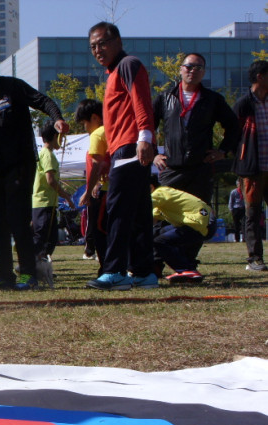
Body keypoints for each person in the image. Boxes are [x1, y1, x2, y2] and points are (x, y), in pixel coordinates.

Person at [0, 46, 68, 290]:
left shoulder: (13, 87)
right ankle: (4, 275)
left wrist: (57, 118)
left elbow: (42, 100)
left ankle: (27, 274)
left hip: (20, 165)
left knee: (17, 219)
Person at [85, 22, 157, 290]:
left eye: (102, 43)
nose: (97, 50)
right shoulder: (114, 72)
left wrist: (145, 137)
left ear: (117, 41)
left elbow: (142, 100)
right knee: (138, 212)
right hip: (123, 148)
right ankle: (144, 272)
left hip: (130, 146)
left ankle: (115, 270)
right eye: (93, 46)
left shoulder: (128, 64)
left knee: (117, 209)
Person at [152, 52, 239, 205]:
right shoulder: (165, 98)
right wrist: (154, 155)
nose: (193, 71)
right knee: (167, 214)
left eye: (198, 68)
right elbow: (146, 127)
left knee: (199, 215)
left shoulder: (212, 99)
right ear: (181, 69)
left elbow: (234, 126)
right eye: (189, 66)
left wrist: (223, 151)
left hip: (200, 169)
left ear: (203, 72)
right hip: (172, 168)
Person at [232, 59, 268, 272]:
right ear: (260, 77)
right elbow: (233, 135)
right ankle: (255, 258)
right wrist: (241, 159)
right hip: (252, 168)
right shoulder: (243, 104)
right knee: (252, 214)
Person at [150, 176, 209, 283]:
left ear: (150, 187)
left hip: (194, 224)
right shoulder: (165, 193)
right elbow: (153, 217)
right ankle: (157, 267)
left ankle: (186, 270)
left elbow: (142, 209)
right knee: (159, 233)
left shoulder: (158, 194)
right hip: (202, 223)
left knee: (160, 241)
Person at [32, 120, 75, 263]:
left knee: (50, 238)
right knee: (42, 238)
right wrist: (67, 197)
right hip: (44, 203)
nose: (62, 141)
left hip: (45, 203)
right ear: (55, 136)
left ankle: (40, 267)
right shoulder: (47, 155)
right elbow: (50, 180)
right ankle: (29, 268)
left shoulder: (45, 153)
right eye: (60, 137)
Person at [75, 98, 110, 270]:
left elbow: (97, 165)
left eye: (84, 123)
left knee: (100, 231)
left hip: (105, 189)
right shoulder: (113, 130)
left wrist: (88, 192)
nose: (85, 128)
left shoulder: (98, 134)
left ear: (95, 118)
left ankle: (106, 269)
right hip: (117, 188)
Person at [229, 178, 246, 243]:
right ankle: (237, 239)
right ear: (237, 185)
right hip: (236, 209)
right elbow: (231, 201)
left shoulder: (244, 191)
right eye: (240, 184)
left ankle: (244, 238)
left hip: (243, 208)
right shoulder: (233, 192)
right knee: (236, 225)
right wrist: (231, 209)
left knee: (244, 224)